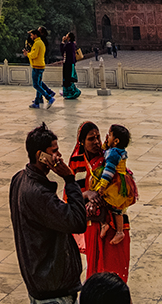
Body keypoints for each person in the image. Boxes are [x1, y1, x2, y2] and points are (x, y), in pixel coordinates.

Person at [10, 122, 87, 303]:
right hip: (52, 287)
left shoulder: (19, 178)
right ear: (40, 155)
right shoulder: (38, 193)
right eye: (54, 151)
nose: (59, 155)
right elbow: (77, 221)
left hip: (39, 279)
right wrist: (69, 179)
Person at [68, 121, 130, 283]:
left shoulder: (108, 157)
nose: (96, 142)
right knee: (96, 272)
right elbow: (70, 197)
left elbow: (124, 190)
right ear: (81, 142)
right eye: (90, 138)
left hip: (113, 220)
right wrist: (87, 194)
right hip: (92, 224)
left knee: (115, 273)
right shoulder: (76, 163)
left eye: (98, 137)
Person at [89, 125, 136, 247]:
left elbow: (109, 170)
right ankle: (105, 223)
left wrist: (103, 185)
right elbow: (105, 152)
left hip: (115, 182)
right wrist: (106, 143)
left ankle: (119, 231)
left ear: (116, 141)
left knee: (116, 207)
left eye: (109, 135)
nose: (107, 137)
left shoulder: (114, 153)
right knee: (108, 203)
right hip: (118, 180)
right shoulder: (115, 150)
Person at [27, 28, 55, 109]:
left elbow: (34, 55)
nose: (31, 37)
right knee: (39, 84)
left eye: (31, 35)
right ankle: (37, 102)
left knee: (36, 85)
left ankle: (49, 97)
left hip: (37, 66)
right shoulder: (40, 42)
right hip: (40, 65)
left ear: (35, 35)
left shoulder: (37, 43)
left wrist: (28, 54)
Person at [61, 32, 81, 101]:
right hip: (71, 63)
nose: (65, 36)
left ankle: (71, 93)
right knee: (69, 79)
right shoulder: (73, 44)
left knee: (67, 79)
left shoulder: (69, 45)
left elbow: (62, 50)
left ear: (69, 37)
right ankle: (69, 93)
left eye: (67, 35)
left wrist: (63, 42)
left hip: (68, 64)